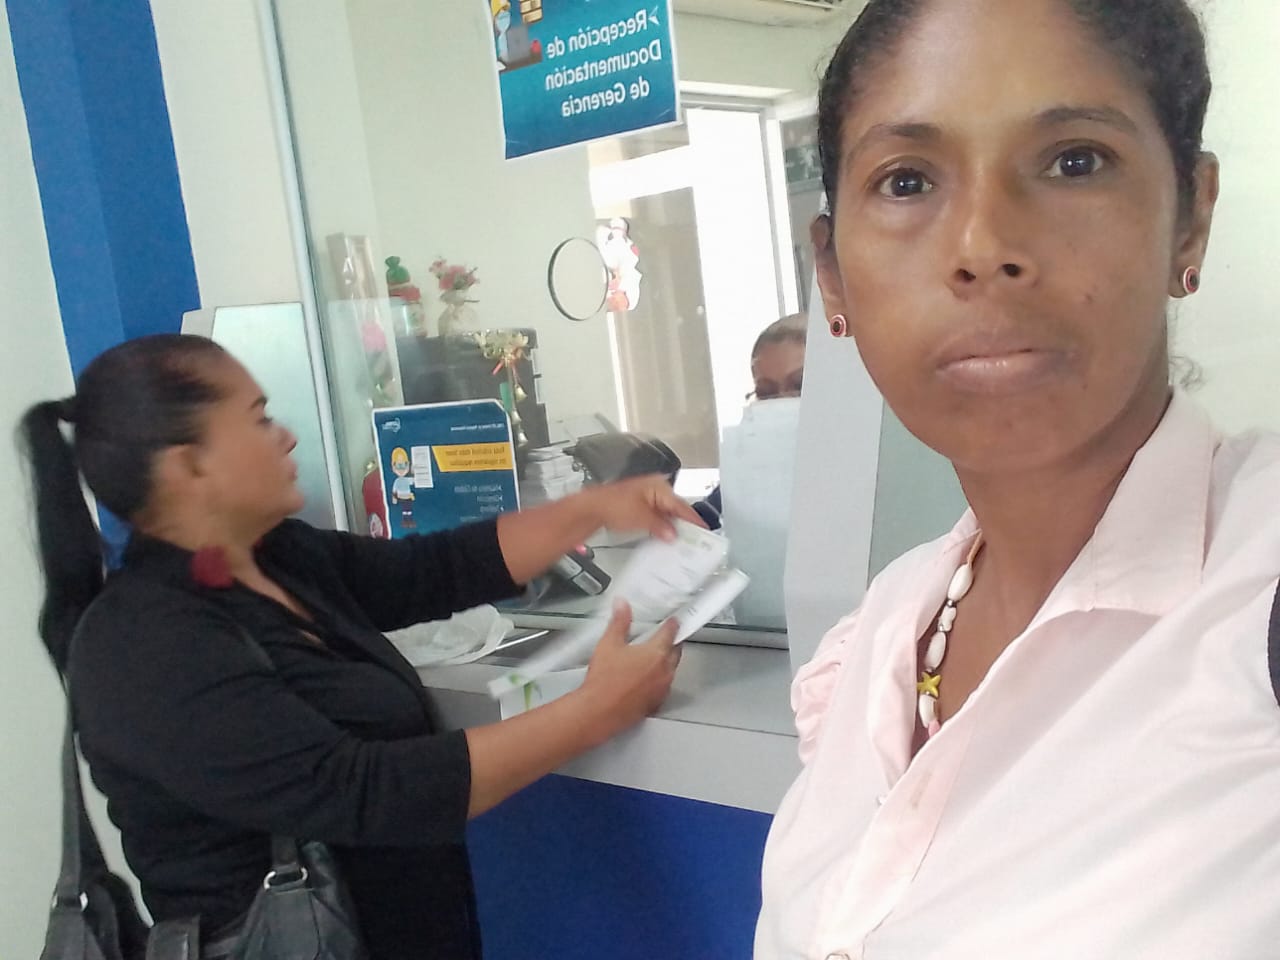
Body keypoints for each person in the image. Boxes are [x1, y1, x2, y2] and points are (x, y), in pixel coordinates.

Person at [756, 0, 1280, 956]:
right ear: (832, 275)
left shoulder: (1258, 594)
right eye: (907, 181)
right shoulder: (880, 636)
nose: (982, 246)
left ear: (1191, 218)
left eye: (1075, 161)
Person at [20, 334, 701, 960]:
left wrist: (593, 508)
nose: (286, 435)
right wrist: (596, 710)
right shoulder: (142, 642)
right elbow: (361, 792)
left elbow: (437, 571)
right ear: (189, 464)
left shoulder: (279, 558)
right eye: (259, 419)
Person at [693, 313, 807, 530]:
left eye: (799, 386)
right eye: (766, 393)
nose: (781, 402)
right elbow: (701, 520)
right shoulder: (755, 469)